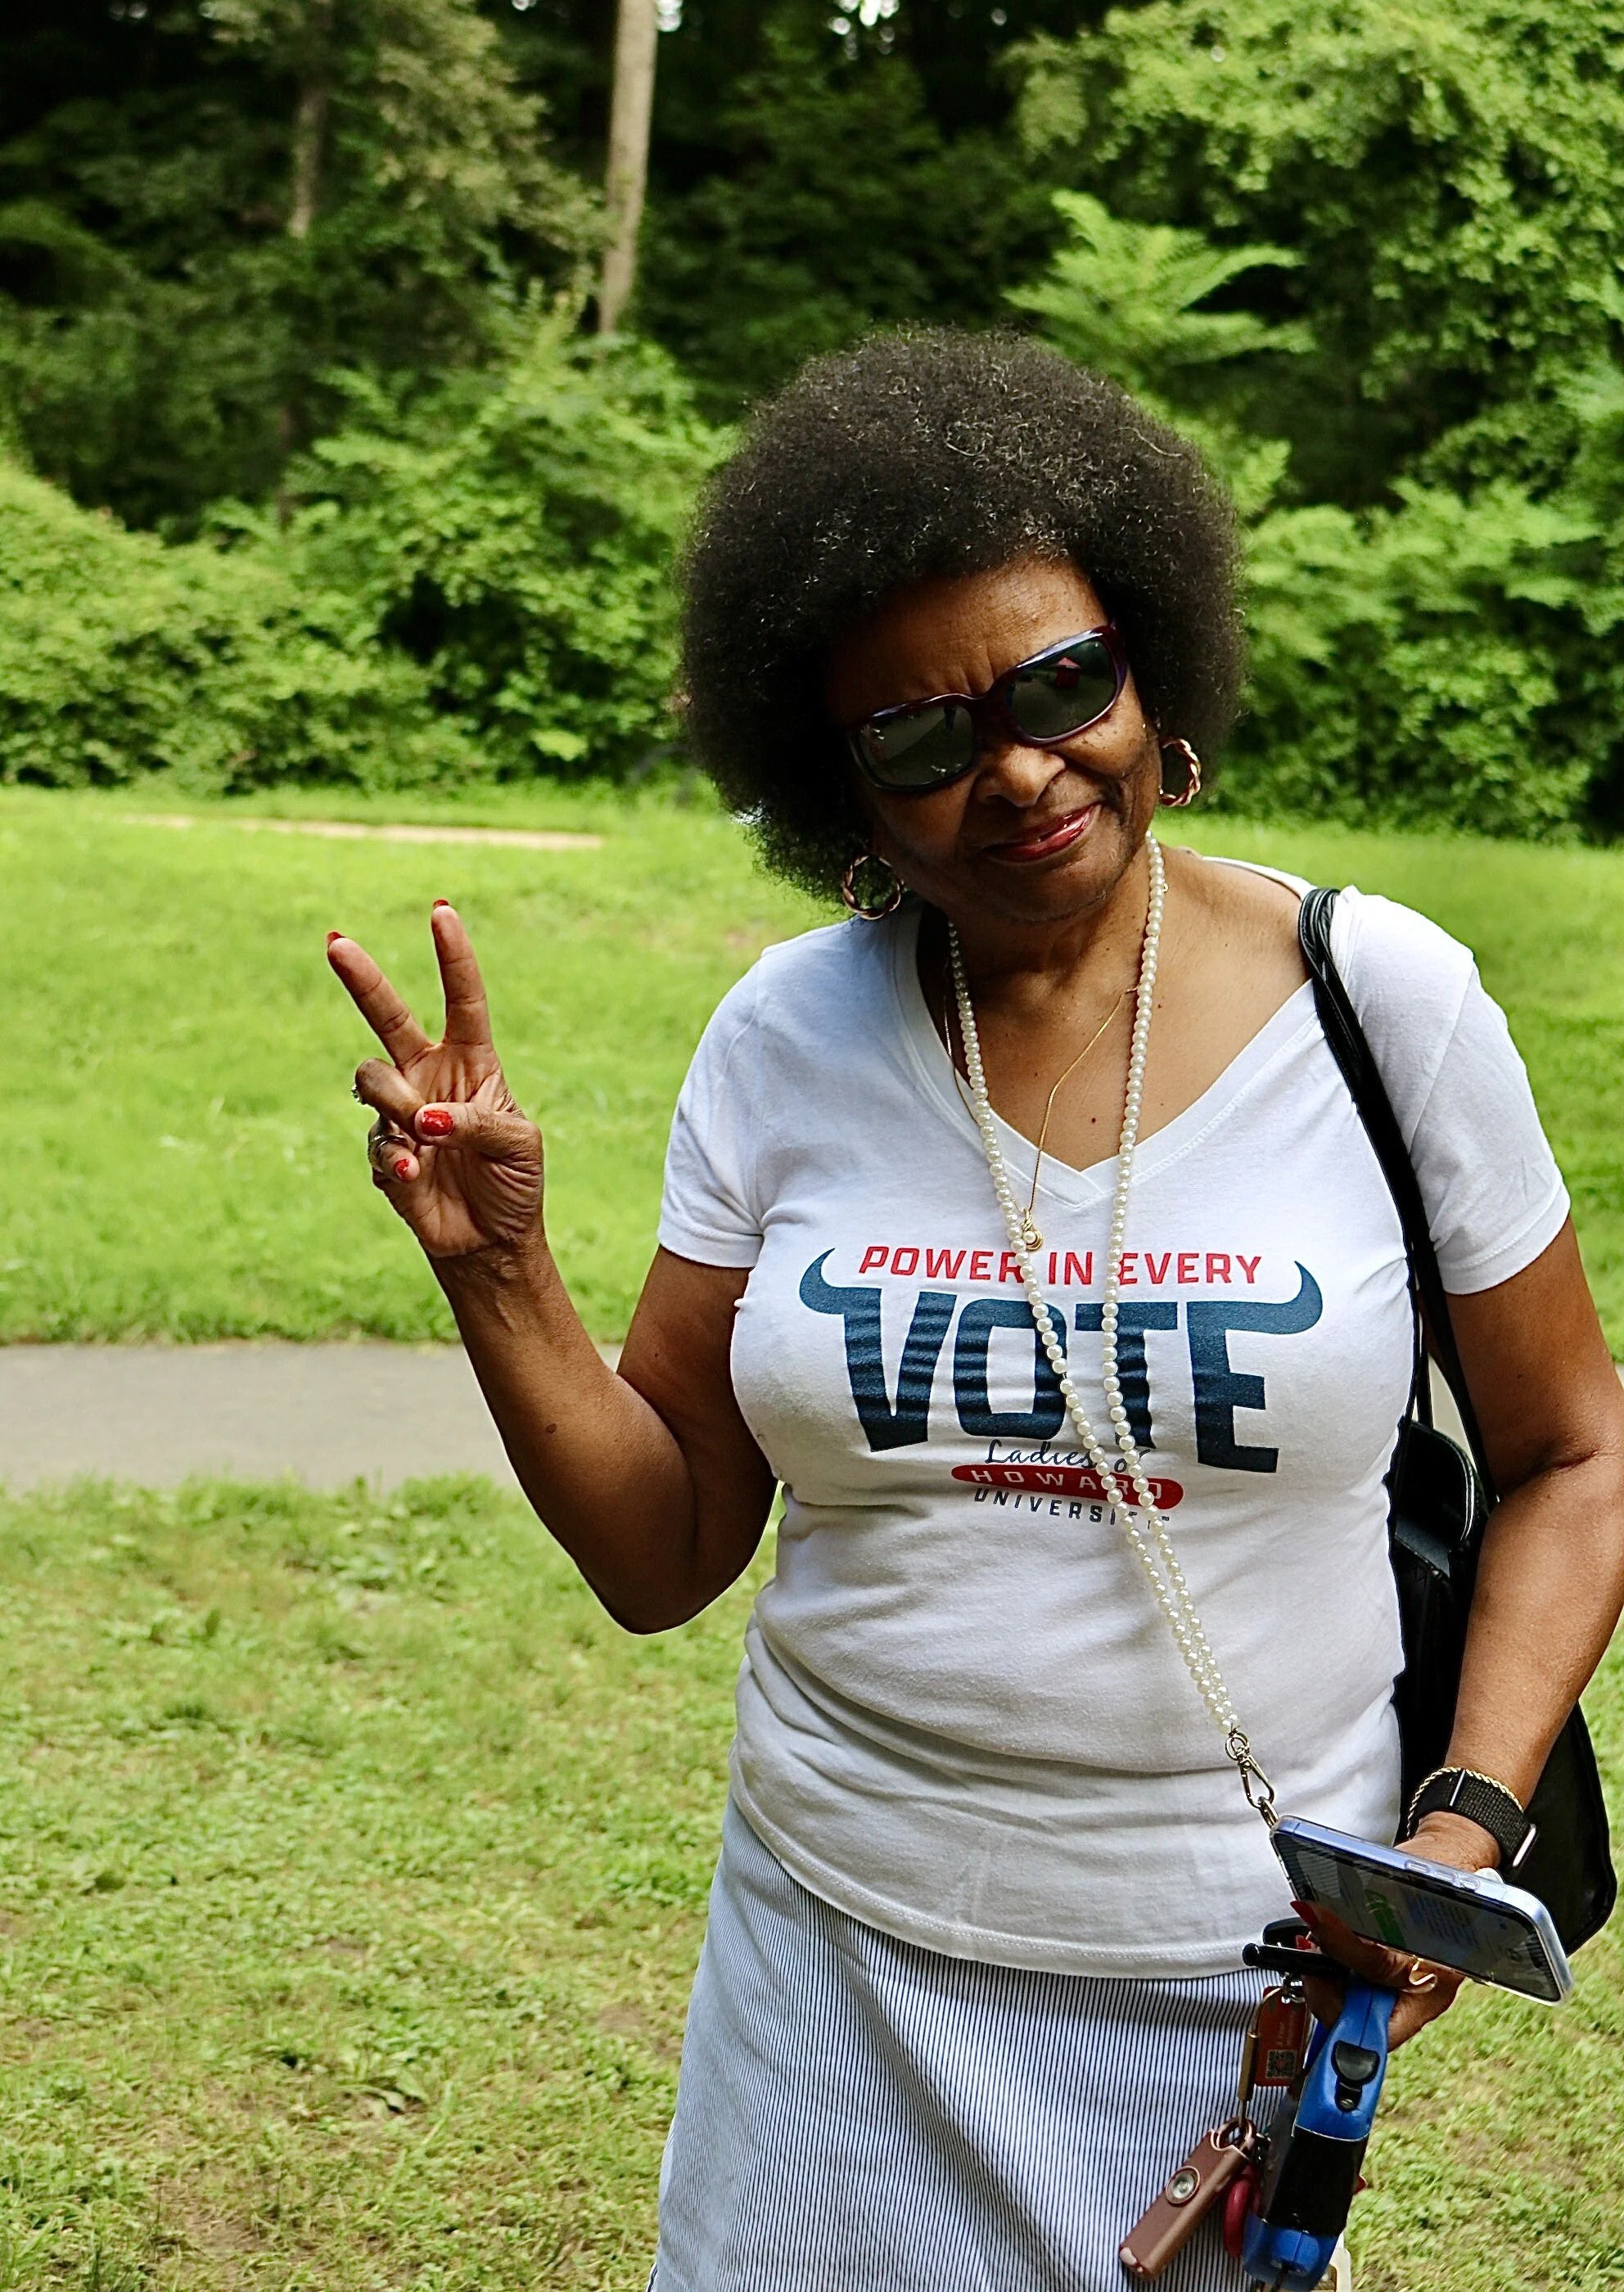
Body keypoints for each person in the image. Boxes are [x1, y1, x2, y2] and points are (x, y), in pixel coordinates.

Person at [327, 332, 1624, 2292]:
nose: (1018, 769)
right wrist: (496, 1269)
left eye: (1058, 683)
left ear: (1146, 664)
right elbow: (666, 1547)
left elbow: (1570, 1452)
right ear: (836, 780)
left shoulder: (1384, 1005)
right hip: (829, 1966)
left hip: (1221, 1993)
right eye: (923, 737)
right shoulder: (786, 1034)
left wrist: (1455, 1837)